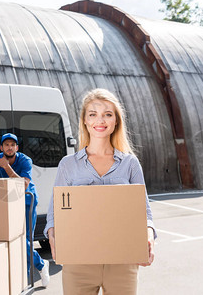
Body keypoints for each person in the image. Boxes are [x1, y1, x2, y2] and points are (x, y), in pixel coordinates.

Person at [44, 89, 156, 294]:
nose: (100, 120)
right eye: (93, 114)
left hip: (123, 262)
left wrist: (148, 236)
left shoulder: (130, 164)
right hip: (78, 263)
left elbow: (145, 212)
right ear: (85, 121)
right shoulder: (68, 165)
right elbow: (54, 213)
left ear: (116, 122)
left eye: (108, 114)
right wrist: (52, 235)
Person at [0, 133, 50, 288]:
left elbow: (24, 185)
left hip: (27, 201)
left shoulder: (25, 160)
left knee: (24, 239)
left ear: (17, 148)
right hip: (7, 203)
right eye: (6, 144)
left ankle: (25, 279)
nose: (10, 147)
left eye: (13, 145)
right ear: (1, 148)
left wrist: (6, 167)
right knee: (14, 239)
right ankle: (39, 266)